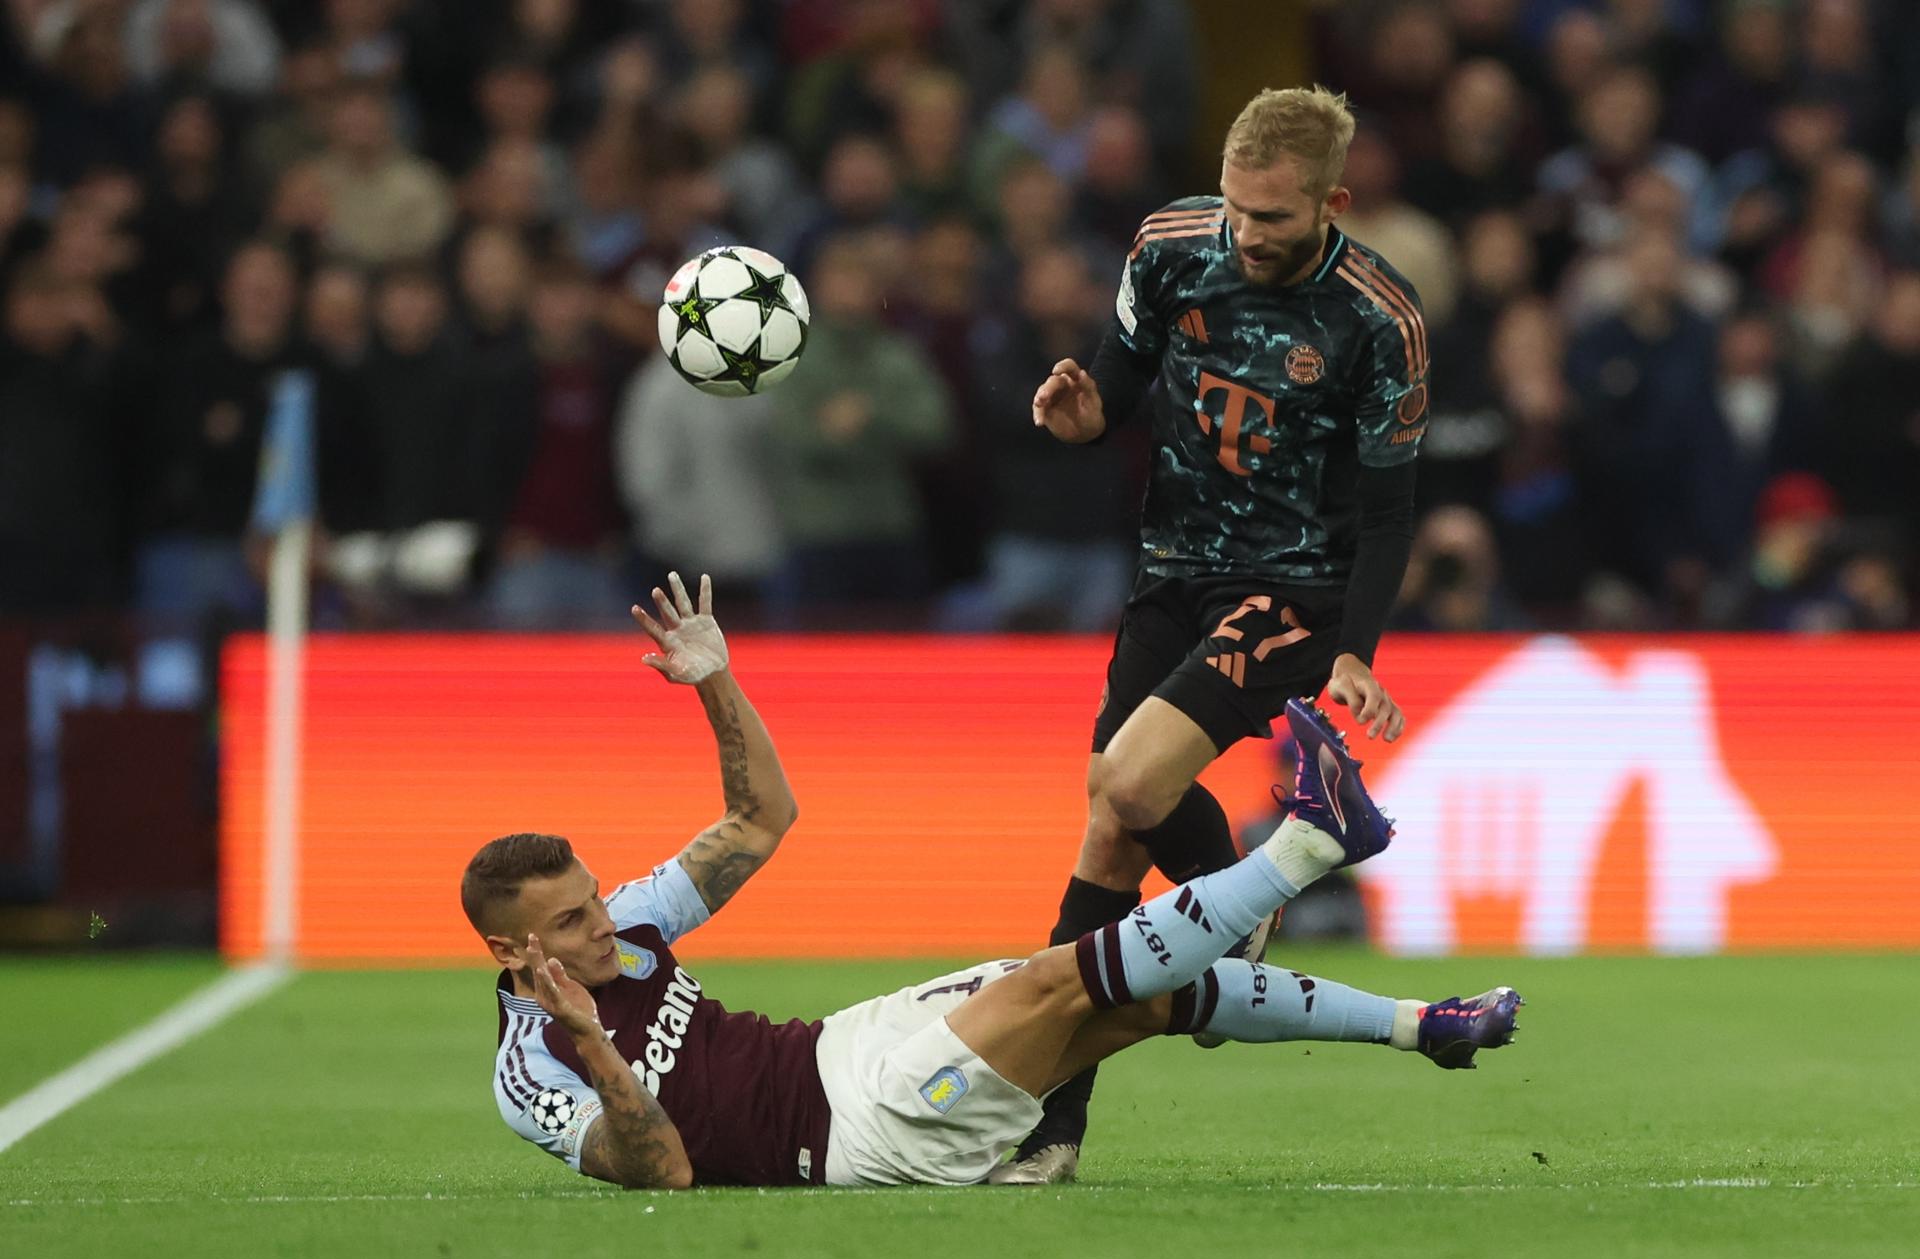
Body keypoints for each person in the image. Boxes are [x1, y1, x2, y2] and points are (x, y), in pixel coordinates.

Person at [471, 575, 1522, 1189]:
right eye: (572, 918)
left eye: (595, 895)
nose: (604, 921)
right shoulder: (531, 1071)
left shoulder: (630, 923)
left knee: (1145, 998)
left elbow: (760, 820)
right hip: (861, 1129)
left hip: (845, 1045)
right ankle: (1305, 846)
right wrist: (595, 1039)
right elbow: (664, 1171)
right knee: (1065, 977)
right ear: (513, 949)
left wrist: (715, 682)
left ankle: (1422, 1025)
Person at [1008, 85, 1431, 1183]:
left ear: (1333, 203)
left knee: (1128, 782)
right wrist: (1086, 413)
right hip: (1171, 569)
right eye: (1237, 207)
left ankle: (1237, 895)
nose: (1246, 232)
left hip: (1293, 589)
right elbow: (1119, 370)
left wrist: (1357, 648)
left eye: (1274, 216)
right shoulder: (1168, 247)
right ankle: (1052, 1126)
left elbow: (1390, 511)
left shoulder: (1380, 319)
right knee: (1111, 820)